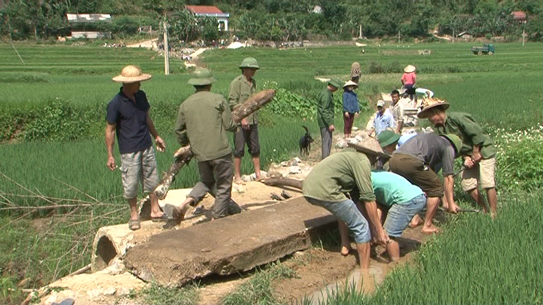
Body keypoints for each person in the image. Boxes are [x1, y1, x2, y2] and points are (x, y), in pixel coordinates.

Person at [302, 139, 389, 291]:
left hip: (310, 188)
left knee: (348, 210)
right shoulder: (362, 161)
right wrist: (378, 230)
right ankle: (365, 273)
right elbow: (368, 199)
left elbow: (356, 199)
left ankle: (345, 245)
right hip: (324, 190)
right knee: (361, 226)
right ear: (374, 156)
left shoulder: (349, 155)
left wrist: (372, 226)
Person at [173, 68, 241, 221]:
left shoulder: (185, 104)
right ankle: (218, 217)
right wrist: (237, 127)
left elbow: (178, 130)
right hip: (220, 151)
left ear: (194, 86)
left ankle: (185, 202)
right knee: (224, 185)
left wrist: (186, 143)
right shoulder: (218, 99)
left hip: (200, 153)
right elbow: (229, 124)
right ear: (210, 84)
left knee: (206, 181)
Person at [105, 65, 167, 230]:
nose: (140, 84)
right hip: (129, 149)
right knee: (131, 184)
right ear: (127, 84)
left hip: (146, 145)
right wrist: (110, 155)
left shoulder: (141, 96)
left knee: (152, 179)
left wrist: (156, 136)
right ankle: (134, 215)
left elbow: (147, 118)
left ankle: (155, 209)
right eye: (137, 82)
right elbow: (110, 130)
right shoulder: (115, 104)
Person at [419, 98, 498, 218]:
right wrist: (467, 157)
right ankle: (484, 208)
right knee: (468, 184)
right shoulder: (440, 129)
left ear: (436, 112)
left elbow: (477, 133)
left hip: (484, 150)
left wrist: (476, 152)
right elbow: (455, 146)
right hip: (469, 154)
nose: (430, 121)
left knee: (487, 183)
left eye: (430, 117)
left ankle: (494, 213)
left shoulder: (458, 118)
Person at [339, 170, 426, 263]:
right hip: (416, 194)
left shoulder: (362, 184)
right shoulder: (369, 174)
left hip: (408, 200)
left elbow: (366, 211)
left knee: (389, 235)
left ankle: (395, 265)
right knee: (383, 230)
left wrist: (374, 231)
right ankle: (389, 247)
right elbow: (378, 208)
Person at [388, 132, 462, 234]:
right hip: (410, 161)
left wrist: (444, 201)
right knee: (436, 188)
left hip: (394, 160)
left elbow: (427, 176)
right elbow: (448, 177)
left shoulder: (432, 140)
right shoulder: (449, 147)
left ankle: (415, 219)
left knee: (413, 187)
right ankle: (428, 225)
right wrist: (451, 203)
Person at [229, 57, 262, 184]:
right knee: (239, 149)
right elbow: (232, 102)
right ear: (244, 69)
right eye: (251, 69)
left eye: (255, 69)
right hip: (239, 122)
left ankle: (258, 174)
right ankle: (237, 176)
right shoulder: (236, 83)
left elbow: (254, 101)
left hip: (253, 120)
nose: (253, 71)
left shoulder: (253, 83)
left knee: (255, 148)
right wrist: (243, 117)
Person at [317, 78, 343, 159]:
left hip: (324, 121)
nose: (337, 89)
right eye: (336, 87)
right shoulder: (326, 95)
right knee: (327, 141)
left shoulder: (325, 92)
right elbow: (324, 110)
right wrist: (330, 123)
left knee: (327, 140)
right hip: (325, 122)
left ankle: (326, 158)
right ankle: (325, 159)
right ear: (332, 86)